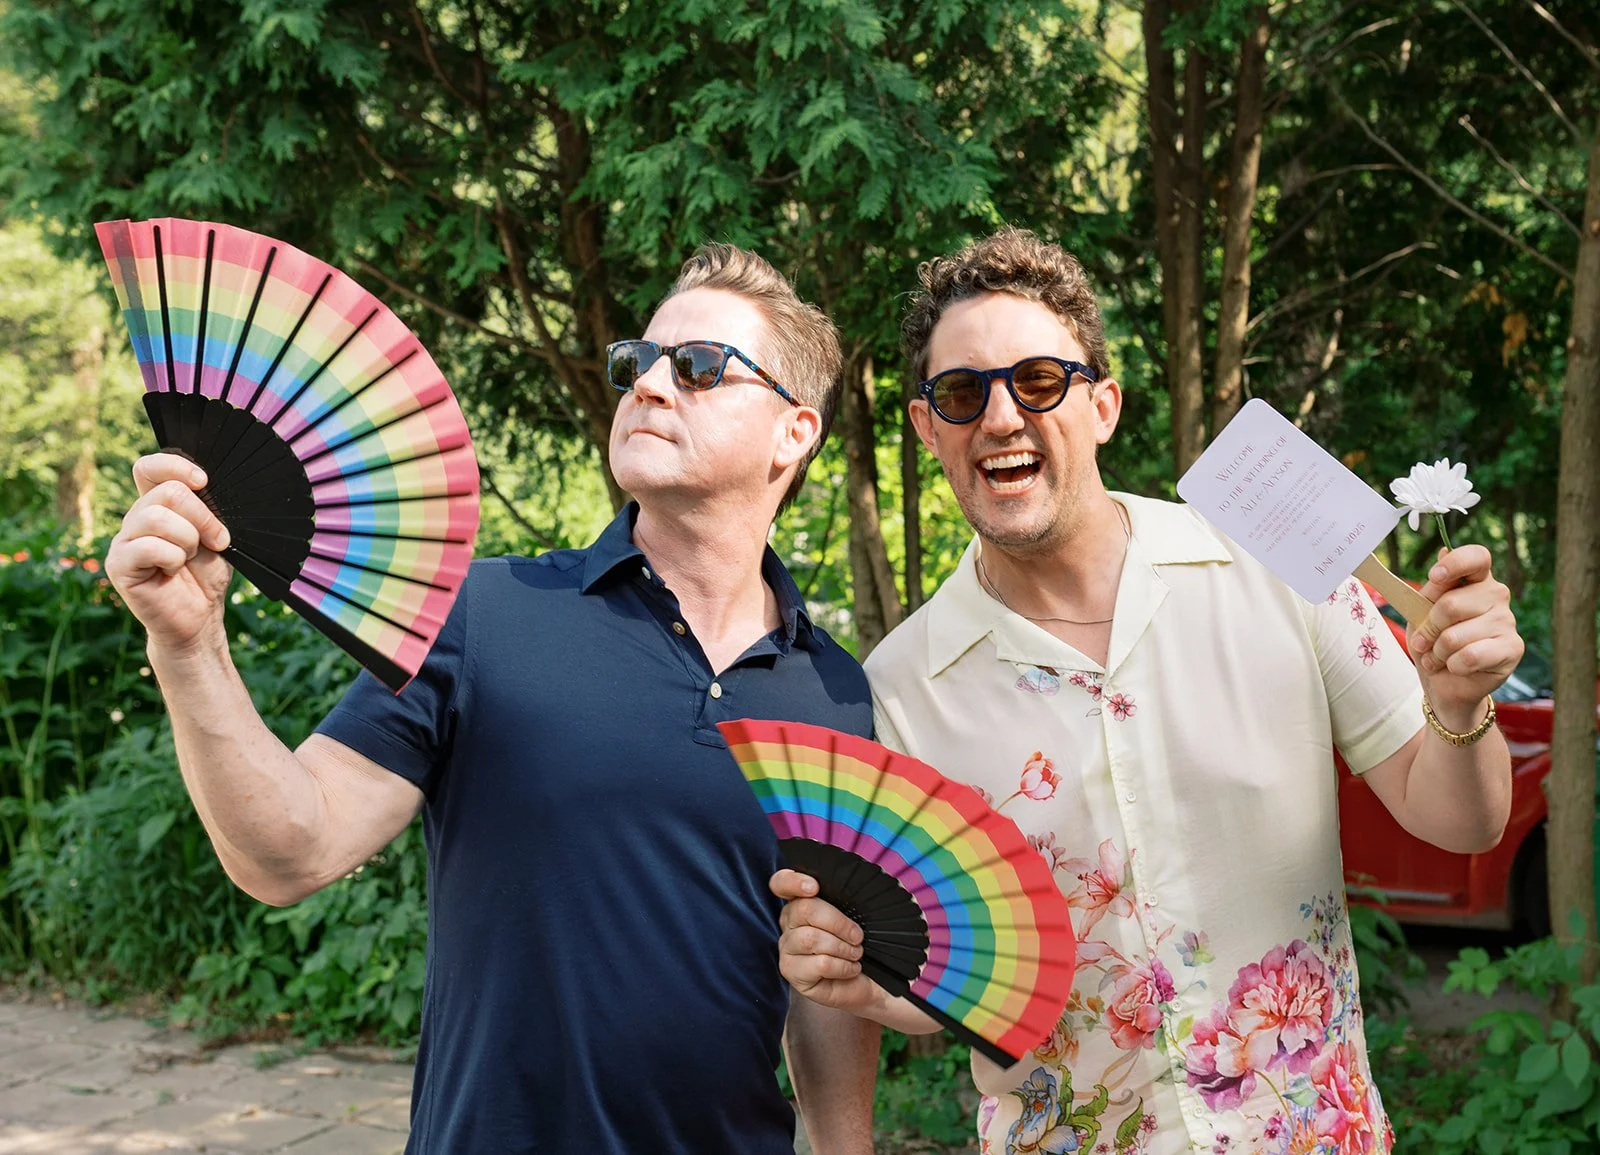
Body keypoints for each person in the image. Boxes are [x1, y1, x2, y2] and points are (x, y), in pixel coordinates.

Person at [105, 243, 882, 1155]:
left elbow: (824, 979)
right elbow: (288, 851)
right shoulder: (486, 614)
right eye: (638, 361)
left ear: (795, 432)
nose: (651, 385)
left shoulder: (834, 692)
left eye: (700, 366)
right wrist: (190, 644)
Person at [771, 227, 1521, 1154]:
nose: (1001, 416)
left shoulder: (1277, 565)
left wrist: (1458, 706)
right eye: (963, 394)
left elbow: (1465, 820)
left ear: (1104, 405)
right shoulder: (896, 689)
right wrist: (865, 978)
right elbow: (941, 982)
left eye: (1038, 380)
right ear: (930, 429)